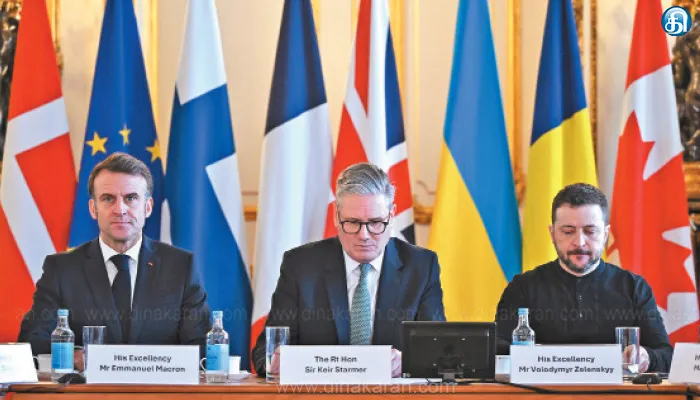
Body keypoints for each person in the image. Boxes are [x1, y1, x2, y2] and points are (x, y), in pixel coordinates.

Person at [251, 162, 446, 378]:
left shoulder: (421, 266)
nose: (364, 235)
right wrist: (275, 362)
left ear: (391, 216)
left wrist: (409, 362)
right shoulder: (300, 265)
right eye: (352, 222)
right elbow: (264, 353)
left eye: (376, 222)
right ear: (337, 216)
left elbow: (439, 351)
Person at [18, 152, 211, 363]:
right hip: (84, 385)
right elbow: (32, 341)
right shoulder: (61, 269)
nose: (120, 209)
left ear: (147, 207)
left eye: (131, 198)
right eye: (108, 199)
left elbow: (201, 347)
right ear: (93, 209)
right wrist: (75, 358)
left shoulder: (181, 267)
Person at [495, 183, 673, 373]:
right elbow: (495, 349)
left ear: (605, 234)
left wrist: (646, 356)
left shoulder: (633, 288)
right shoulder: (523, 288)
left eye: (590, 231)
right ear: (552, 234)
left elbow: (665, 355)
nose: (579, 242)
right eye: (568, 231)